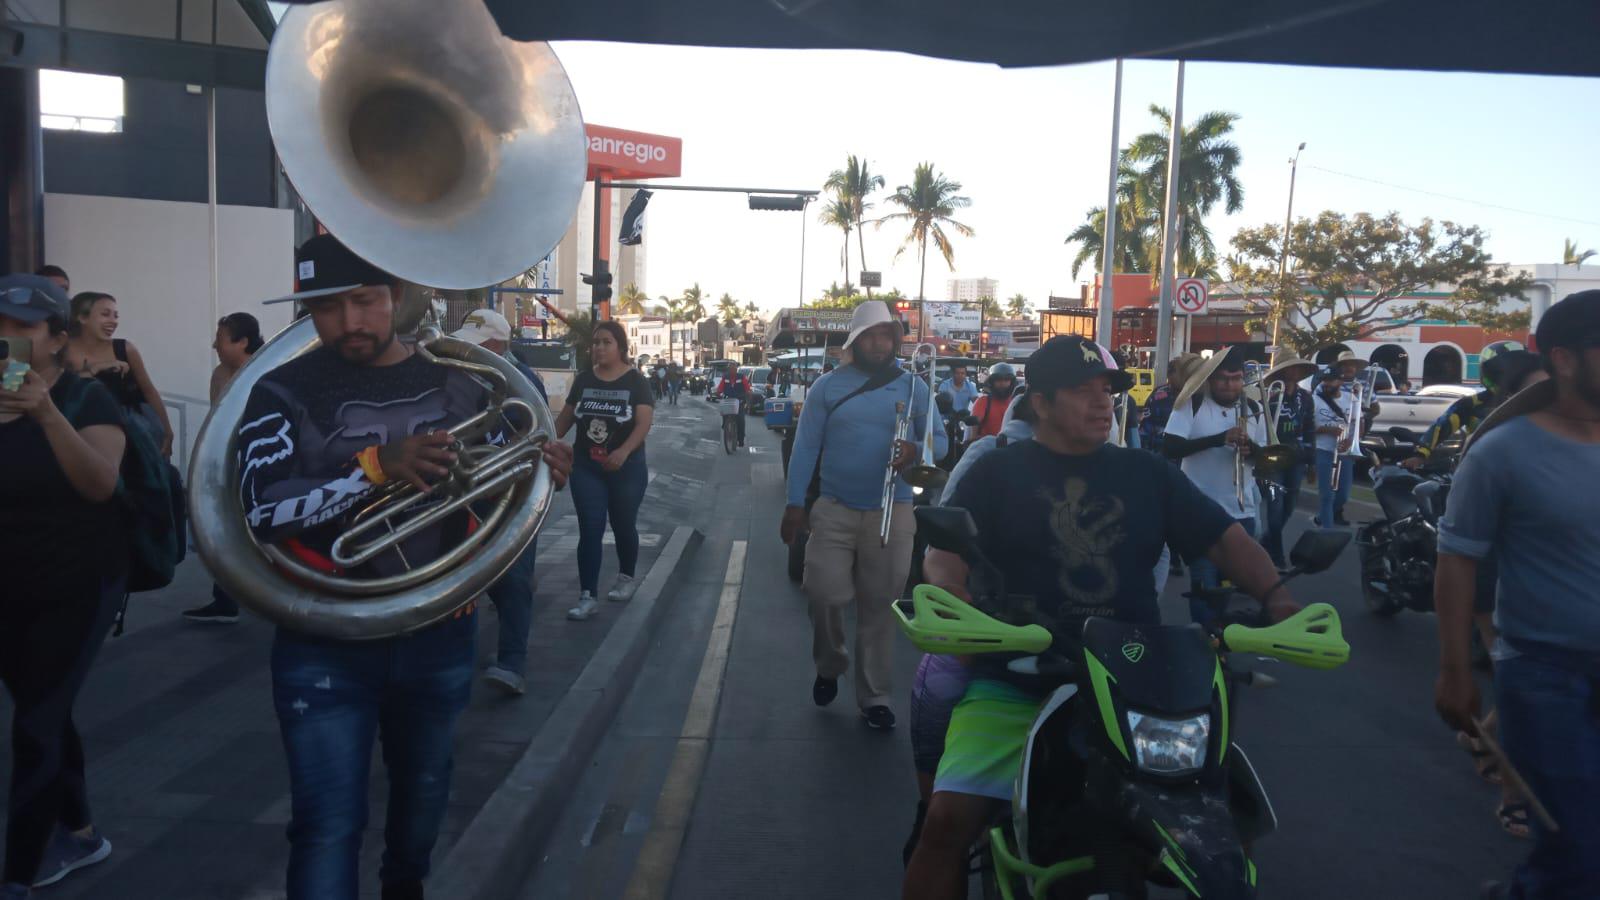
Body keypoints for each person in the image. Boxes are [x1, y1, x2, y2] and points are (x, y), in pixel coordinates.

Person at [901, 335, 1302, 900]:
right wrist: (953, 599)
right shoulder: (995, 471)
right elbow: (944, 554)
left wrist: (1279, 599)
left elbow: (1226, 539)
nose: (1101, 403)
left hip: (1139, 681)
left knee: (1229, 834)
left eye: (1106, 391)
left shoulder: (1147, 472)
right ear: (1040, 403)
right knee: (946, 824)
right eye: (1081, 391)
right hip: (1017, 676)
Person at [237, 235, 571, 900]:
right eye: (327, 308)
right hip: (322, 640)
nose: (350, 322)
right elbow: (261, 516)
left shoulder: (464, 385)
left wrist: (544, 466)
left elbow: (511, 469)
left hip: (438, 632)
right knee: (325, 828)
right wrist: (376, 468)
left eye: (363, 301)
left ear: (394, 296)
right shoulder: (277, 392)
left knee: (421, 813)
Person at [1435, 290, 1600, 899]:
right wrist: (1455, 671)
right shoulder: (1503, 452)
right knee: (1580, 846)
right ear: (1564, 358)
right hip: (1543, 675)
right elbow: (1456, 562)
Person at [0, 275, 125, 898]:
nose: (7, 338)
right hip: (11, 582)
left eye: (22, 328)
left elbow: (101, 484)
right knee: (44, 712)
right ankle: (79, 829)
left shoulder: (85, 400)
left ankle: (20, 870)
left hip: (79, 586)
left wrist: (45, 414)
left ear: (54, 338)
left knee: (36, 723)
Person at [780, 301, 945, 731]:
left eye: (886, 335)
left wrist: (915, 452)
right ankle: (830, 663)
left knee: (877, 607)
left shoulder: (914, 387)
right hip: (834, 508)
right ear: (856, 340)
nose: (880, 343)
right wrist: (795, 504)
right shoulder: (827, 388)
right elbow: (805, 450)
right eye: (871, 335)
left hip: (894, 509)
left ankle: (875, 697)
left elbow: (940, 443)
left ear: (895, 340)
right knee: (823, 592)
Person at [450, 309, 549, 695]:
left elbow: (537, 434)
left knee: (514, 577)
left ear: (498, 345)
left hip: (512, 491)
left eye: (480, 345)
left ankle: (512, 663)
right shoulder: (461, 375)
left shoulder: (522, 382)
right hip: (469, 490)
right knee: (471, 575)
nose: (470, 351)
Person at [1161, 347, 1270, 622]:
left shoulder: (1255, 408)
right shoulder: (1192, 403)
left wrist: (1252, 451)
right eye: (1223, 378)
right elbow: (1170, 447)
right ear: (1210, 379)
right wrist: (1219, 439)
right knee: (1204, 585)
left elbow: (1269, 458)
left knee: (1226, 587)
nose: (1230, 385)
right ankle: (1204, 641)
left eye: (1235, 378)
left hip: (1242, 511)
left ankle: (1216, 642)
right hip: (1199, 511)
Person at [557, 320, 654, 622]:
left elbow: (643, 423)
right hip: (587, 467)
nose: (599, 347)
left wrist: (624, 451)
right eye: (596, 342)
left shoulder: (635, 381)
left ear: (621, 347)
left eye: (606, 342)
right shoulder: (584, 380)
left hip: (627, 468)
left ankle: (626, 577)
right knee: (590, 528)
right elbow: (563, 421)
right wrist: (539, 439)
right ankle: (588, 596)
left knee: (623, 524)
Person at [184, 311, 265, 624]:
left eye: (219, 340)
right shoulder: (220, 373)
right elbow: (215, 422)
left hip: (260, 461)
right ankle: (226, 599)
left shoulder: (264, 369)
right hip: (231, 464)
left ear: (242, 341)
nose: (213, 346)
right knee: (226, 530)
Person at [64, 292, 175, 457]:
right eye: (105, 314)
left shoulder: (125, 349)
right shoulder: (63, 349)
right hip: (77, 427)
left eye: (115, 316)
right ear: (82, 317)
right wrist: (95, 369)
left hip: (129, 430)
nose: (113, 321)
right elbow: (60, 387)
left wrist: (167, 430)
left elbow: (148, 390)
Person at [1402, 341, 1543, 470]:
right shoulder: (1473, 403)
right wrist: (1420, 455)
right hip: (1480, 469)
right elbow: (1441, 426)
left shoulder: (1537, 400)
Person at [1258, 358, 1317, 568]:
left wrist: (1312, 463)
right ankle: (1277, 555)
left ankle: (1266, 541)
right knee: (1275, 506)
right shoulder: (1268, 394)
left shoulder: (1305, 398)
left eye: (1297, 368)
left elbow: (1310, 429)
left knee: (1289, 507)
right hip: (1272, 458)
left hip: (1296, 458)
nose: (1294, 371)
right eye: (1289, 367)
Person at [1310, 367, 1359, 527]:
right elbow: (1309, 427)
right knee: (1326, 495)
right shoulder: (1315, 400)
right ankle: (1327, 534)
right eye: (1324, 380)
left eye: (1330, 380)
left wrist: (1351, 441)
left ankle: (1322, 517)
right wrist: (1329, 430)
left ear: (1340, 381)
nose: (1326, 383)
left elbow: (1359, 423)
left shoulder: (1350, 399)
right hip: (1323, 450)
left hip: (1345, 451)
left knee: (1343, 495)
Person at [1136, 352, 1199, 455]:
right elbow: (1145, 429)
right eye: (1171, 373)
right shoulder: (1158, 395)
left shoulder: (1198, 396)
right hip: (1161, 456)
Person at [964, 362, 1015, 441]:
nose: (1002, 383)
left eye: (1006, 380)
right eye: (998, 380)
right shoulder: (983, 401)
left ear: (1012, 382)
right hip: (987, 448)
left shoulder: (1016, 402)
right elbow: (973, 436)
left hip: (1012, 447)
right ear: (992, 382)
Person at [714, 364, 752, 447]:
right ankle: (726, 427)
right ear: (729, 370)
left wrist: (748, 393)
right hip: (728, 400)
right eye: (731, 369)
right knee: (724, 414)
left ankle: (740, 439)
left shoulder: (741, 377)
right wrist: (717, 392)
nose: (732, 371)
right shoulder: (725, 377)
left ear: (736, 370)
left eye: (734, 369)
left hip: (740, 400)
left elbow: (747, 388)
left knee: (741, 420)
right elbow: (720, 387)